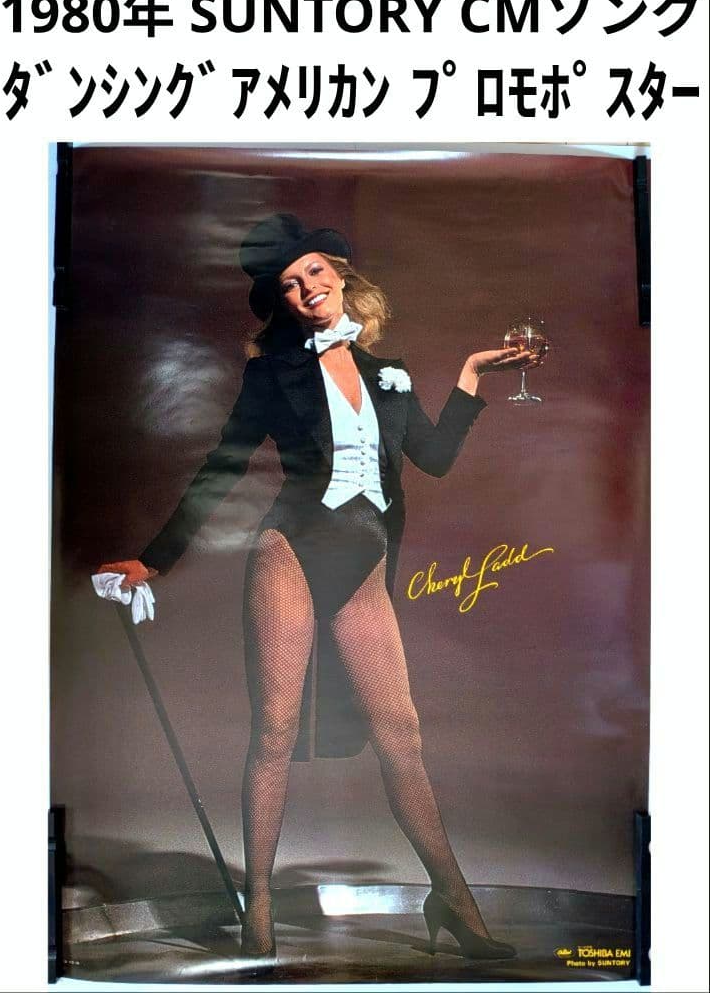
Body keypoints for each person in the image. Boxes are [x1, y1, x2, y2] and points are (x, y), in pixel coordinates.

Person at [98, 213, 537, 962]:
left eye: (314, 273)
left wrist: (470, 373)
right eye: (289, 284)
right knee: (274, 730)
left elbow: (433, 459)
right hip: (291, 554)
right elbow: (225, 464)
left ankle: (453, 901)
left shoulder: (388, 374)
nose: (306, 289)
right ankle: (260, 911)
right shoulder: (272, 374)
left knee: (401, 735)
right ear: (283, 301)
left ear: (339, 275)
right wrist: (155, 559)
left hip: (362, 566)